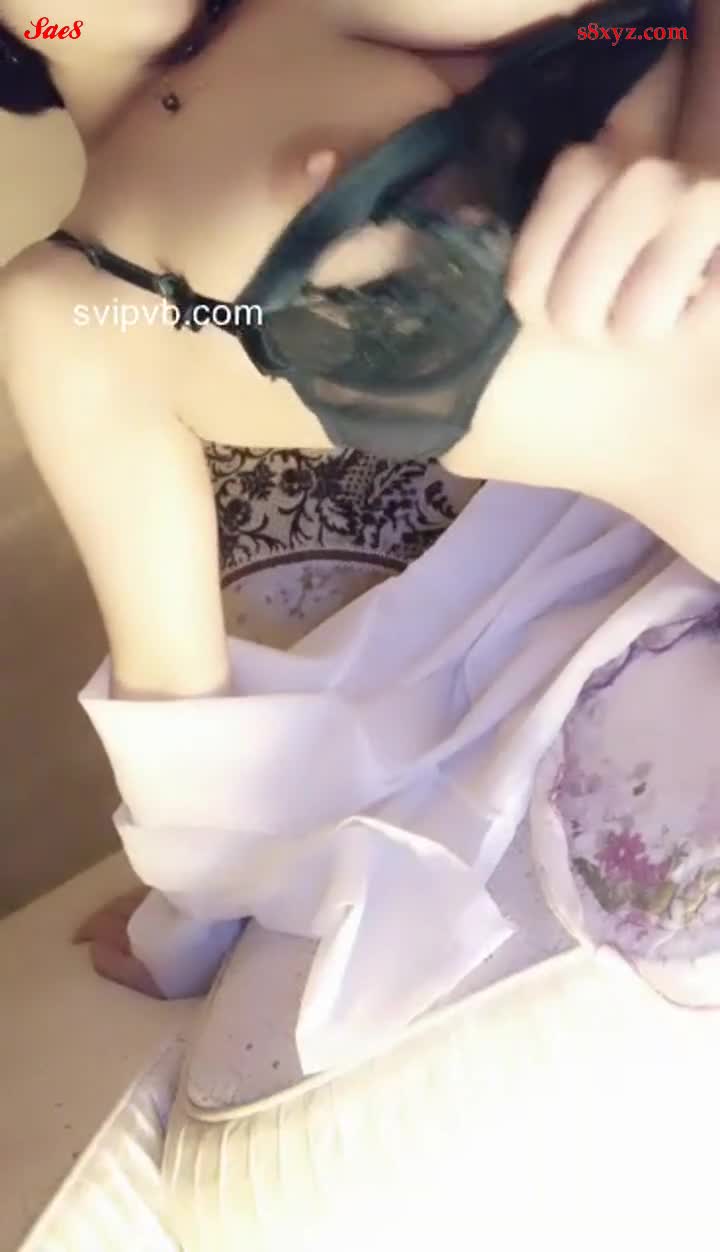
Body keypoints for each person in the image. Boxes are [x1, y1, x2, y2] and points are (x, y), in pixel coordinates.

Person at [0, 0, 718, 996]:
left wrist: (702, 154)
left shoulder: (316, 12)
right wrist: (194, 906)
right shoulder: (71, 311)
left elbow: (647, 19)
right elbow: (172, 687)